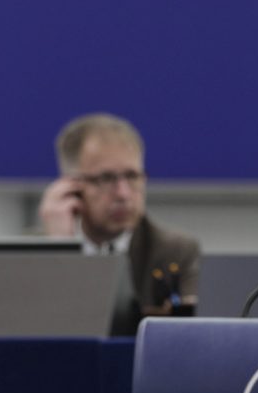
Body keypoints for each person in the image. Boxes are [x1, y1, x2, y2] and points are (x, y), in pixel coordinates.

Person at [39, 113, 201, 326]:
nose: (123, 194)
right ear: (70, 186)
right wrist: (61, 249)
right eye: (106, 178)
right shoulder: (29, 253)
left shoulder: (177, 252)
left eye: (132, 176)